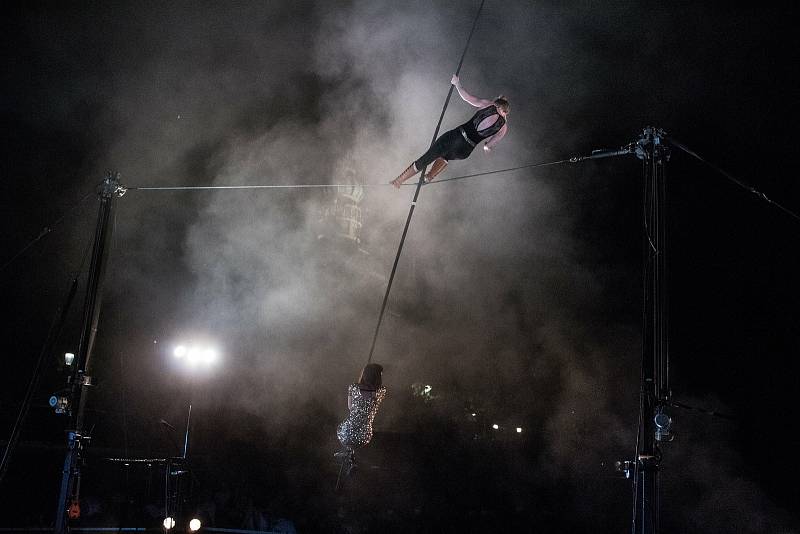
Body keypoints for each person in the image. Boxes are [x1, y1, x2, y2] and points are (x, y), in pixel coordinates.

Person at [391, 74, 509, 187]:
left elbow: (467, 98)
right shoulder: (503, 128)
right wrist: (486, 147)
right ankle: (429, 177)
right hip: (465, 151)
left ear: (497, 104)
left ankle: (399, 181)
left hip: (457, 137)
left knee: (429, 156)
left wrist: (457, 83)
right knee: (445, 156)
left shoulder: (488, 105)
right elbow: (488, 146)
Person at [335, 363, 386, 470]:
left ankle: (349, 456)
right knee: (355, 434)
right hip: (365, 435)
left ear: (365, 374)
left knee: (345, 428)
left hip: (347, 433)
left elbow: (350, 407)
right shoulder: (381, 391)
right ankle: (350, 456)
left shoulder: (353, 387)